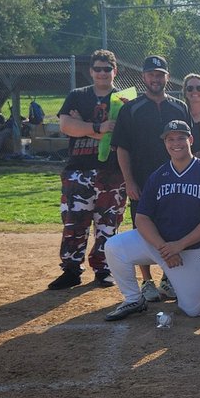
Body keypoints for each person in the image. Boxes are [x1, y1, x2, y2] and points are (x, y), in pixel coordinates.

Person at [102, 120, 200, 321]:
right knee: (114, 246)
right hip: (161, 245)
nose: (175, 143)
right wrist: (164, 247)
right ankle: (134, 299)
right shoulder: (159, 175)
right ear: (164, 143)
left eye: (180, 138)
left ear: (191, 140)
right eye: (170, 139)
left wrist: (179, 245)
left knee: (194, 309)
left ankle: (197, 286)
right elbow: (142, 218)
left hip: (193, 249)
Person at [112, 55, 191, 305]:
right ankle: (146, 281)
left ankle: (168, 277)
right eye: (151, 74)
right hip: (143, 179)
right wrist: (129, 181)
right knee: (141, 229)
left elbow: (189, 144)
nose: (155, 78)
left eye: (160, 74)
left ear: (167, 77)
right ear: (144, 77)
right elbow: (122, 148)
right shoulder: (131, 108)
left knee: (173, 225)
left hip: (175, 181)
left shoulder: (179, 106)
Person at [47, 49, 127, 290]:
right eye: (98, 69)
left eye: (107, 69)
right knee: (74, 222)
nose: (102, 73)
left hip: (112, 172)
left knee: (108, 224)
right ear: (91, 71)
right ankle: (71, 270)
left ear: (115, 71)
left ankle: (103, 269)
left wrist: (83, 125)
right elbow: (66, 126)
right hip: (78, 170)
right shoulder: (78, 95)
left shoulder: (123, 100)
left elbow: (124, 133)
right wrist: (99, 128)